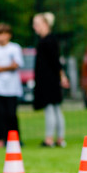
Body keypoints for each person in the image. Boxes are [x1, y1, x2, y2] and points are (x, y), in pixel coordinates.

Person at [32, 12, 69, 148]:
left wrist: (62, 76)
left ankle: (50, 139)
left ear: (46, 24)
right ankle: (59, 138)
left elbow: (55, 61)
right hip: (49, 79)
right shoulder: (46, 40)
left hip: (49, 81)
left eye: (37, 24)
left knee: (51, 108)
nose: (35, 27)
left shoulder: (48, 41)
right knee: (55, 108)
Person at [0, 23, 24, 144]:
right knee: (0, 115)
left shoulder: (15, 48)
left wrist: (1, 68)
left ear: (9, 35)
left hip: (12, 88)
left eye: (5, 33)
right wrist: (9, 66)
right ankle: (1, 139)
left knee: (11, 115)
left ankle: (15, 139)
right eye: (0, 33)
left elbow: (16, 64)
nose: (2, 36)